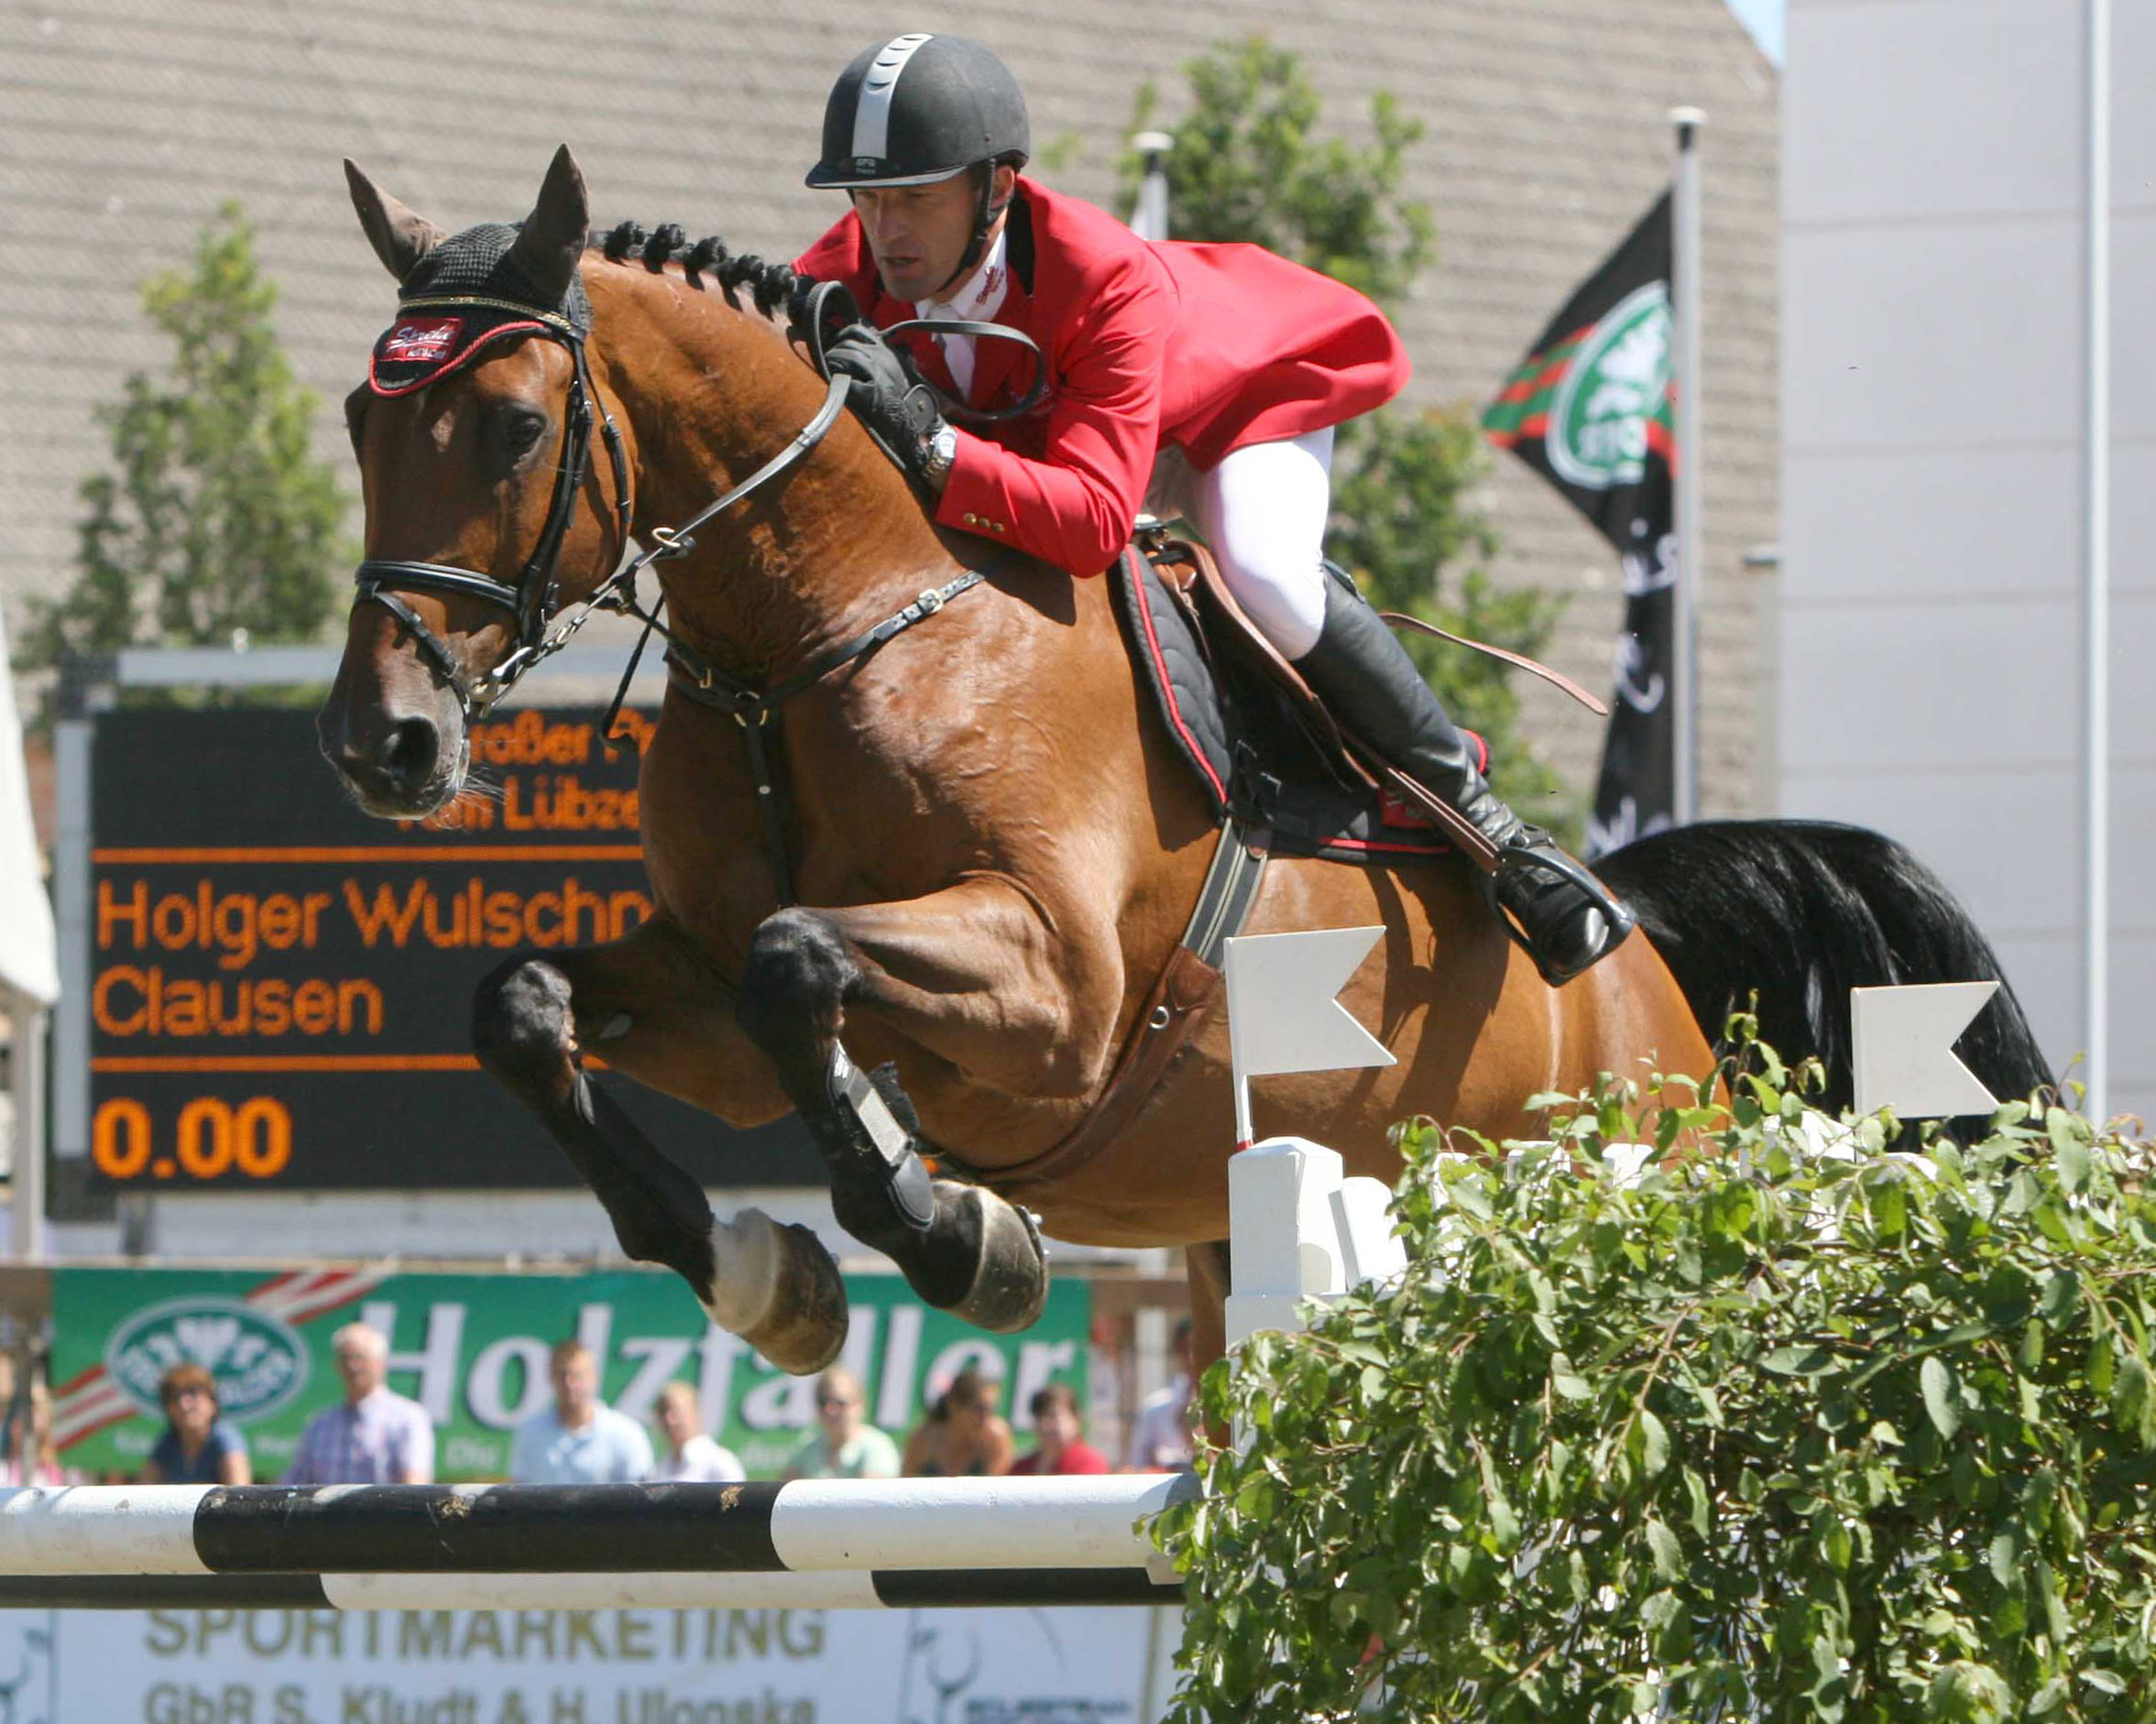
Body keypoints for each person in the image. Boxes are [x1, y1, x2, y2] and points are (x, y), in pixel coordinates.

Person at [794, 34, 1634, 987]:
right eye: (864, 198)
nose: (883, 227)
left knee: (1265, 577)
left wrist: (935, 448)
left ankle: (1493, 828)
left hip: (1230, 408)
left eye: (913, 195)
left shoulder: (1102, 274)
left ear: (995, 188)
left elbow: (1088, 526)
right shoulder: (837, 276)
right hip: (1076, 441)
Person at [283, 1322, 434, 1485]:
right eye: (346, 1358)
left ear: (380, 1363)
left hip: (386, 1511)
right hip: (326, 1511)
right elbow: (295, 1484)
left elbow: (415, 1483)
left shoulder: (408, 1417)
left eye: (360, 1358)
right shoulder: (320, 1423)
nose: (353, 1366)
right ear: (337, 1365)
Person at [509, 1341, 652, 1484]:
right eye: (562, 1375)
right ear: (551, 1377)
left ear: (594, 1377)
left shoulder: (627, 1433)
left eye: (577, 1376)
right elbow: (519, 1492)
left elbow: (641, 1497)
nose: (569, 1384)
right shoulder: (531, 1433)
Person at [138, 1362, 251, 1484]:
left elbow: (240, 1492)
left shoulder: (225, 1438)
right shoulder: (168, 1442)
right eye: (175, 1397)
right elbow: (144, 1488)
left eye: (193, 1393)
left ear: (212, 1401)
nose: (184, 1404)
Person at [782, 1366, 901, 1480]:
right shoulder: (806, 1448)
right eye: (823, 1402)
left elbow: (871, 1497)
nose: (830, 1410)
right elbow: (786, 1492)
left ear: (859, 1404)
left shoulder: (877, 1447)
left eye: (840, 1402)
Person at [901, 1364, 1012, 1478]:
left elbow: (995, 1489)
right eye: (980, 1409)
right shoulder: (924, 1439)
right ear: (953, 1405)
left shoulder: (996, 1437)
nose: (987, 1417)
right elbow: (905, 1486)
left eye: (992, 1409)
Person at [1124, 1318, 1196, 1473]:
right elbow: (1135, 1466)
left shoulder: (1226, 1404)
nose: (1191, 1358)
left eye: (1198, 1350)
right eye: (1186, 1349)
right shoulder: (1154, 1407)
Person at [649, 1381, 745, 1483]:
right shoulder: (659, 1468)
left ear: (695, 1414)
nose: (669, 1420)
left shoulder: (722, 1462)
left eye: (677, 1412)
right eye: (663, 1412)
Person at [1009, 1382, 1110, 1477]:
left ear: (1076, 1419)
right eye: (1039, 1417)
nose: (1045, 1425)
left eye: (1053, 1416)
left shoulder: (1089, 1462)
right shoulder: (1022, 1467)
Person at [3, 1381, 64, 1486]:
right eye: (18, 1413)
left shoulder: (65, 1470)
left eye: (35, 1409)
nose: (27, 1418)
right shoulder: (4, 1472)